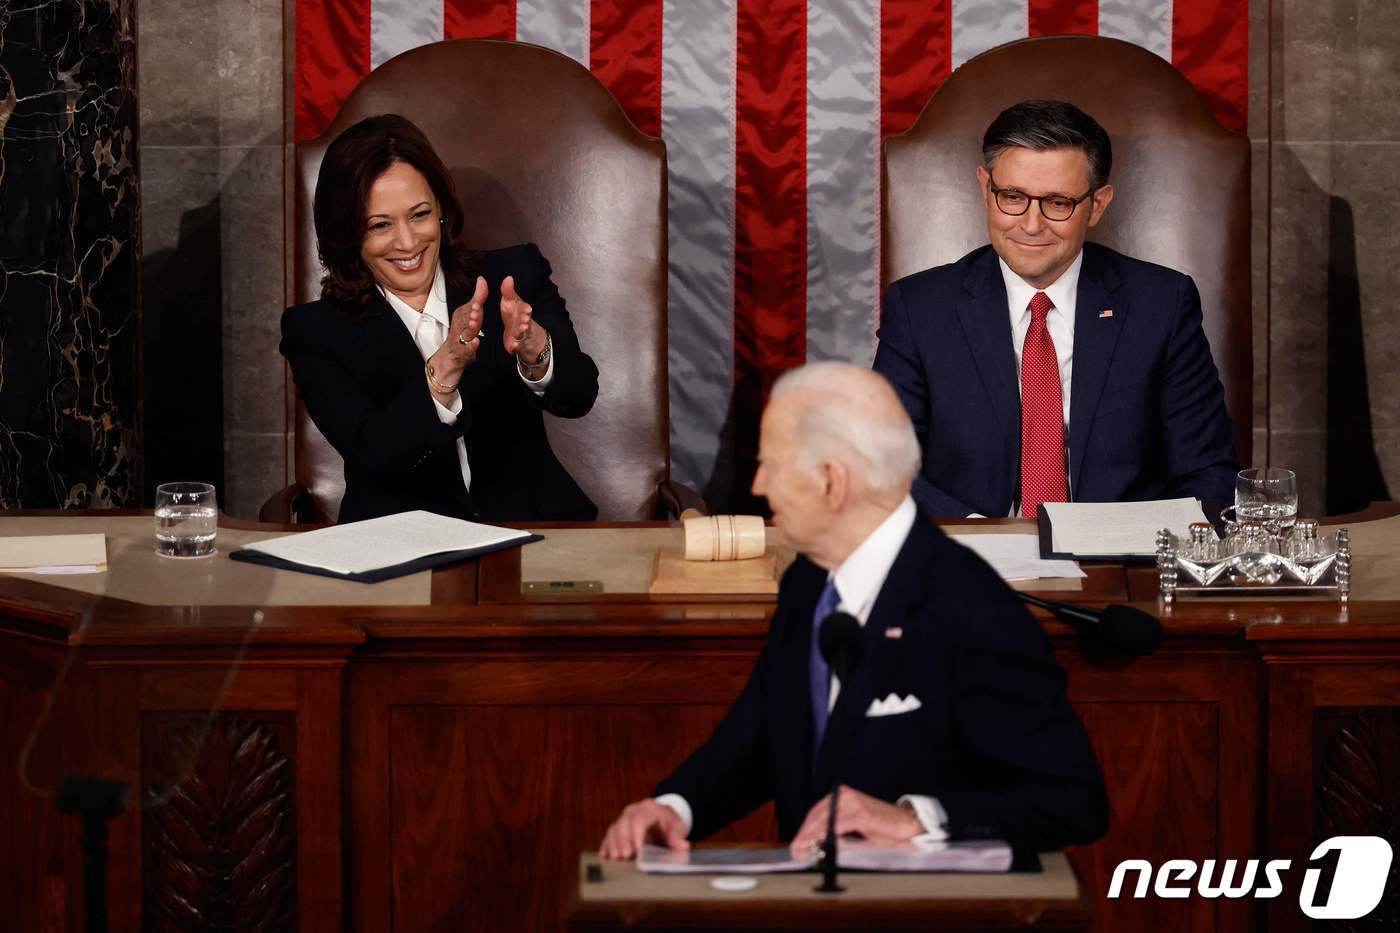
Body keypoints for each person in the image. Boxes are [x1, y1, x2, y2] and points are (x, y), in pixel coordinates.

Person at [599, 363, 1107, 859]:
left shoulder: (970, 607)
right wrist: (676, 806)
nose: (757, 487)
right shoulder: (807, 579)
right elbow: (760, 735)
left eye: (771, 465)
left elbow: (1073, 800)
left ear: (832, 482)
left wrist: (917, 818)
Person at [873, 99, 1239, 519]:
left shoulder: (1162, 304)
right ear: (984, 189)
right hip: (969, 559)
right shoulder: (920, 309)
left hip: (1123, 568)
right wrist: (983, 539)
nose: (1031, 224)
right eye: (1012, 197)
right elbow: (883, 467)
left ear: (1097, 205)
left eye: (1058, 203)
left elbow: (1208, 472)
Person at [280, 114, 599, 524]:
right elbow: (377, 453)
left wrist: (537, 351)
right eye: (380, 225)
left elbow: (579, 395)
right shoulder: (316, 332)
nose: (408, 242)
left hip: (534, 534)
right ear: (348, 236)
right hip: (400, 549)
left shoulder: (512, 277)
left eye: (419, 214)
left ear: (442, 210)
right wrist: (444, 369)